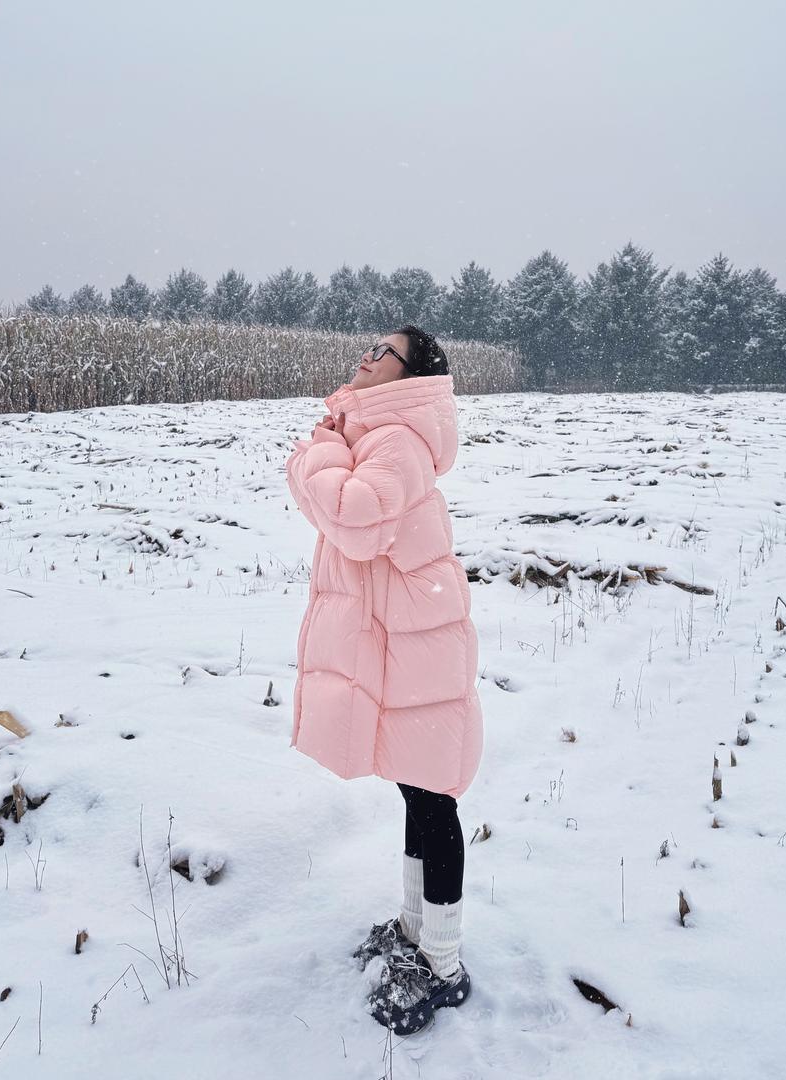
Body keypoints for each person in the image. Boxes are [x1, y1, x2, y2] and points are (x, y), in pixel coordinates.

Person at [284, 325, 484, 1035]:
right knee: (415, 787)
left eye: (384, 352)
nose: (367, 356)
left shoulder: (392, 439)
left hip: (417, 648)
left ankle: (444, 965)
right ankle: (412, 928)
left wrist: (317, 451)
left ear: (409, 374)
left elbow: (357, 519)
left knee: (433, 800)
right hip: (405, 641)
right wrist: (334, 444)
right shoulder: (376, 433)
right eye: (371, 347)